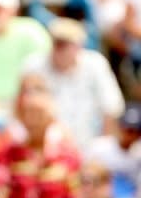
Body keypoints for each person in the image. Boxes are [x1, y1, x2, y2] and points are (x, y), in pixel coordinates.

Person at [23, 17, 125, 149]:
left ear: (78, 46)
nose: (59, 49)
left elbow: (111, 108)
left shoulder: (95, 64)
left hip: (87, 144)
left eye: (64, 44)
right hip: (46, 145)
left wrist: (101, 148)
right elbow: (22, 106)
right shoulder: (34, 65)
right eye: (56, 42)